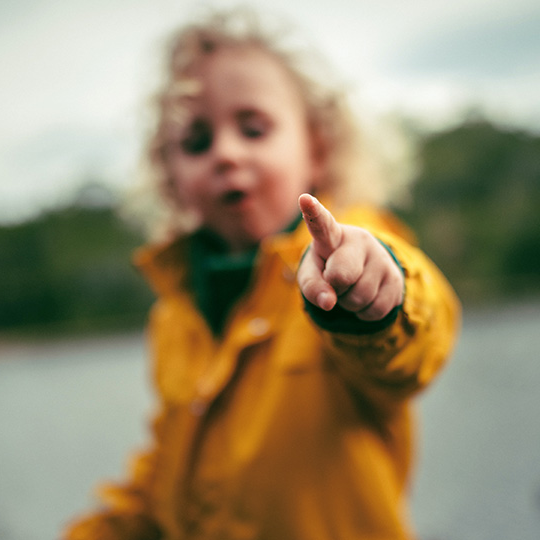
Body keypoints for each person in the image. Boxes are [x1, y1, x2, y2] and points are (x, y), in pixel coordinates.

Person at [63, 9, 460, 540]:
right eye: (197, 142)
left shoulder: (347, 244)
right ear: (171, 177)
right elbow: (165, 475)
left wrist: (378, 293)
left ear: (316, 147)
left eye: (254, 129)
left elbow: (416, 344)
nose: (226, 153)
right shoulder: (176, 314)